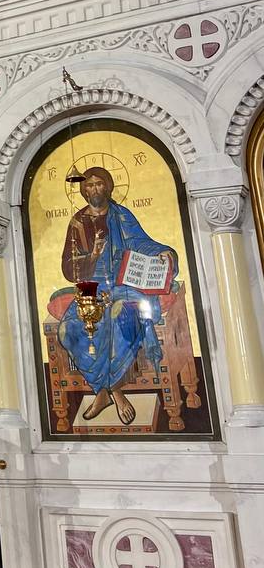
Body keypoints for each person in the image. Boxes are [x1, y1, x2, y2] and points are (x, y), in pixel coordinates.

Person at [59, 167, 176, 427]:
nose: (94, 189)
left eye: (99, 184)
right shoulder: (78, 222)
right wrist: (92, 256)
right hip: (91, 286)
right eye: (89, 185)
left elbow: (140, 242)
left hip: (124, 284)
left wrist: (163, 252)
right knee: (68, 329)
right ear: (83, 190)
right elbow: (68, 268)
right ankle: (112, 391)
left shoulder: (121, 216)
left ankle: (107, 393)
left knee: (118, 317)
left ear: (109, 187)